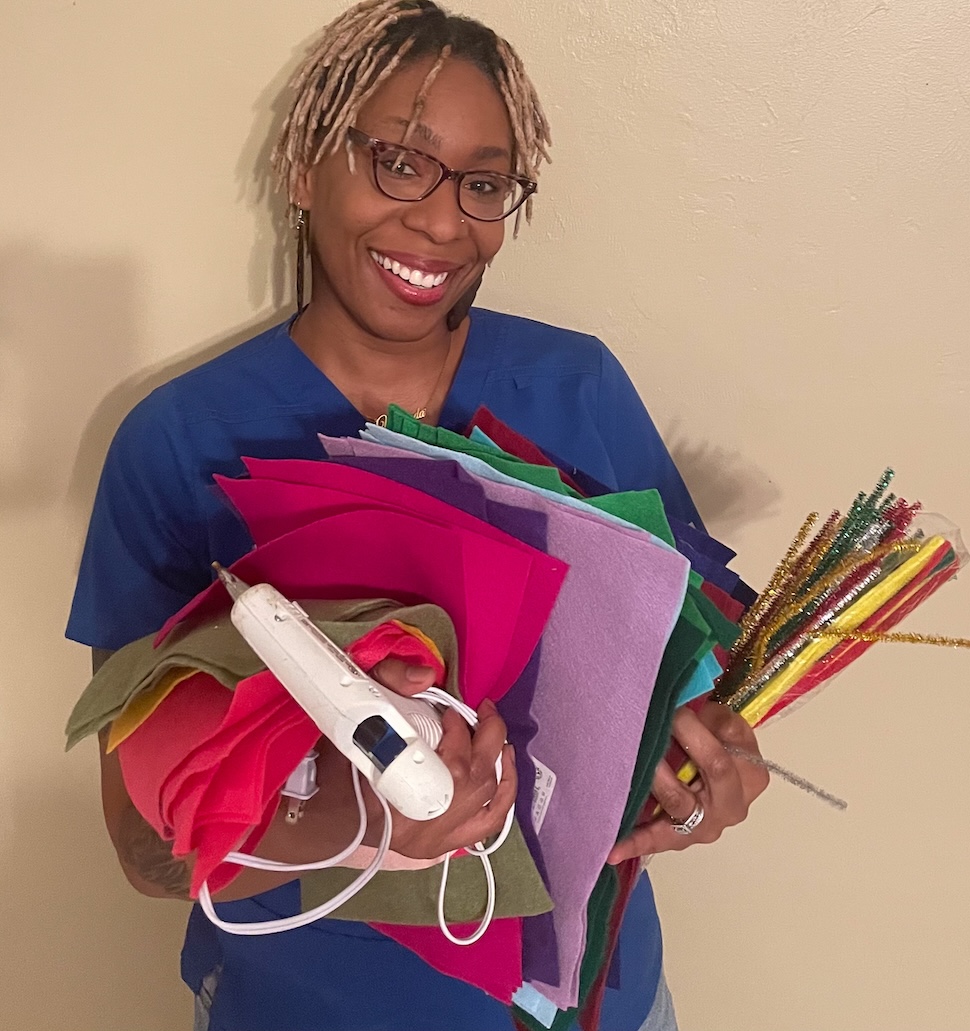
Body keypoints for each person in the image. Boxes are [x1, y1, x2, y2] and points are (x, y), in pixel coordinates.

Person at [66, 2, 769, 1028]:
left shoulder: (576, 391)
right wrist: (359, 826)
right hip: (311, 1002)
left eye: (481, 182)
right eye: (399, 160)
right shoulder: (179, 442)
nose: (442, 222)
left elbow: (689, 689)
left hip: (592, 1001)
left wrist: (708, 774)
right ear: (306, 167)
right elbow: (140, 841)